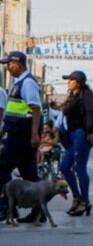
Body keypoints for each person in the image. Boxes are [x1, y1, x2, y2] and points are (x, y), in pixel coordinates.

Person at [0, 51, 43, 220]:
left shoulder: (27, 83)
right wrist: (4, 127)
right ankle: (39, 210)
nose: (7, 68)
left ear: (18, 64)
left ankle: (6, 207)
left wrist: (34, 134)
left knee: (2, 168)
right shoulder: (18, 83)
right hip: (16, 131)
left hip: (22, 135)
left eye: (9, 64)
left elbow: (35, 108)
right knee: (29, 174)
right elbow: (13, 110)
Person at [60, 70, 93, 217]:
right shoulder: (72, 97)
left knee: (79, 168)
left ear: (78, 82)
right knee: (64, 167)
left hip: (81, 135)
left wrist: (90, 132)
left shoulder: (86, 95)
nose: (68, 82)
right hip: (71, 136)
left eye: (71, 80)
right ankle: (77, 197)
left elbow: (91, 113)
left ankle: (85, 201)